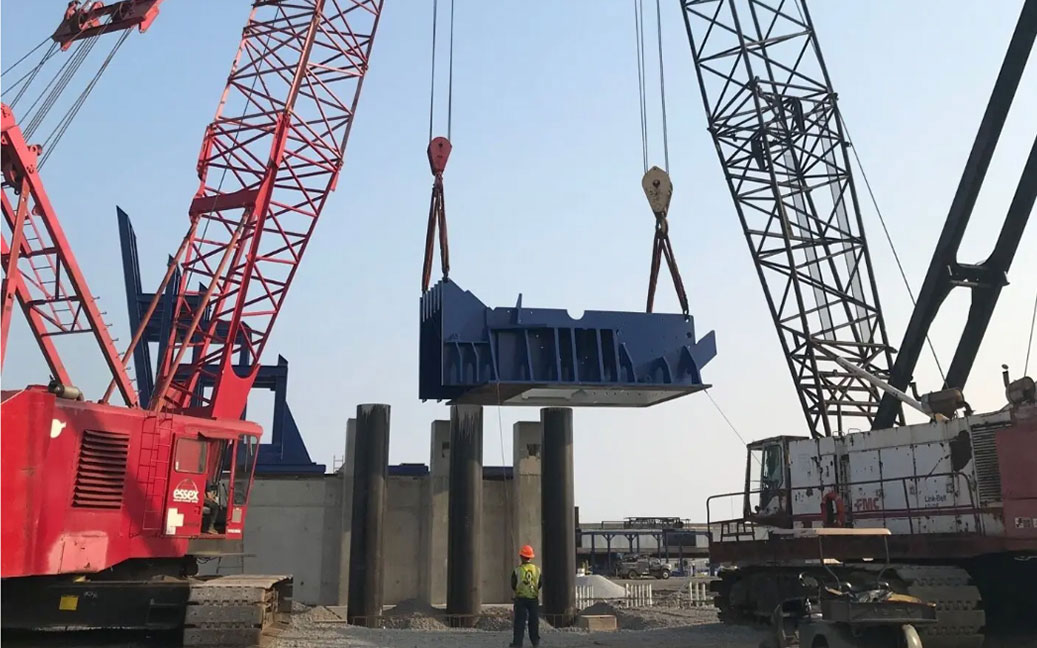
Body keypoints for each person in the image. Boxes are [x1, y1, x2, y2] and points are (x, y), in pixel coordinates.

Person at [510, 544, 542, 648]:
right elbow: (540, 583)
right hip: (533, 599)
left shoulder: (518, 570)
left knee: (519, 622)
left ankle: (517, 643)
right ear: (531, 557)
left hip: (521, 599)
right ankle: (535, 642)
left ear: (521, 557)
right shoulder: (537, 570)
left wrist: (519, 590)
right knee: (534, 622)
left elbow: (513, 584)